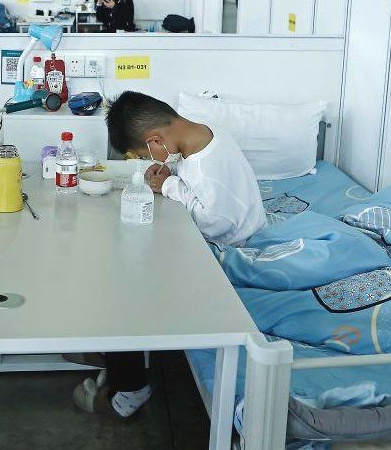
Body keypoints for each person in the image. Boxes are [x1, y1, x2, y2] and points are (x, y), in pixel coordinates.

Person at [72, 91, 265, 418]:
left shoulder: (205, 167)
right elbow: (205, 195)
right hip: (214, 236)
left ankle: (128, 389)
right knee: (122, 252)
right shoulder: (204, 136)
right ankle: (113, 355)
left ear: (156, 140)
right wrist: (171, 179)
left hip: (226, 251)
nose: (151, 159)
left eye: (144, 153)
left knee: (126, 282)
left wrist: (170, 188)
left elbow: (215, 221)